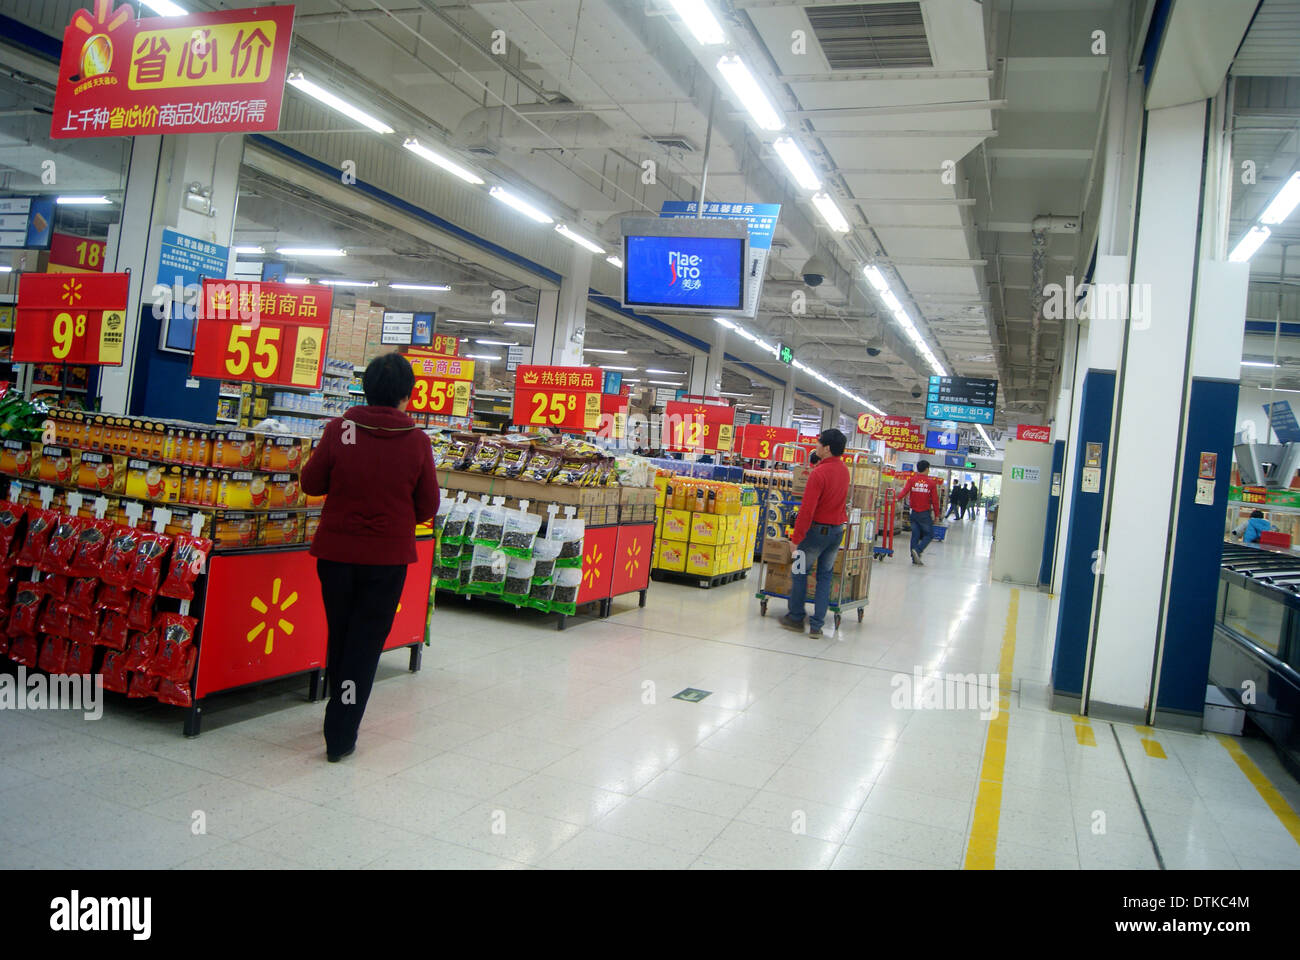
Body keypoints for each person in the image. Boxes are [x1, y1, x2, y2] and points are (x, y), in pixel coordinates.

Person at [300, 353, 440, 763]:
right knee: (365, 644)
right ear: (406, 394)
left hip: (337, 554)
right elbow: (426, 506)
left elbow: (311, 483)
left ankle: (336, 711)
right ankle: (340, 732)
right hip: (386, 559)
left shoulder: (340, 430)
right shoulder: (416, 441)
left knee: (341, 634)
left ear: (364, 387)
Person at [780, 428, 849, 639]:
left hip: (816, 532)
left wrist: (796, 539)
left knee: (799, 571)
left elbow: (807, 510)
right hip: (837, 531)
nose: (816, 446)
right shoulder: (845, 471)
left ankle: (795, 617)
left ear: (826, 448)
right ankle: (817, 625)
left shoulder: (819, 473)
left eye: (819, 443)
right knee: (825, 576)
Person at [895, 460, 939, 565]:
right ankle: (918, 550)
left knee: (915, 534)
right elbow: (935, 500)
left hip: (913, 512)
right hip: (924, 513)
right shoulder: (931, 483)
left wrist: (897, 499)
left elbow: (904, 492)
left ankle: (914, 557)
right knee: (929, 534)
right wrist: (937, 515)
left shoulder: (912, 480)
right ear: (927, 469)